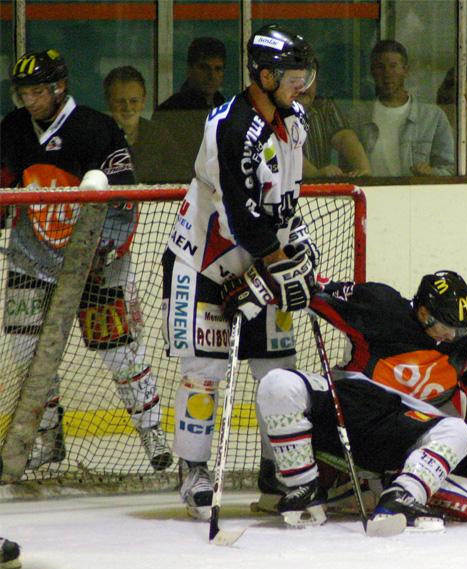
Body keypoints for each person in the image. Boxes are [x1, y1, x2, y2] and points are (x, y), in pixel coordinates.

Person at [244, 270, 467, 532]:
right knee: (275, 384)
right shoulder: (382, 307)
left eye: (462, 327)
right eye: (446, 326)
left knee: (457, 432)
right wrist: (267, 282)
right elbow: (317, 290)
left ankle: (402, 497)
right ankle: (303, 489)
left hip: (401, 426)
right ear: (423, 313)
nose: (453, 335)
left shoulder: (466, 343)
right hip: (351, 404)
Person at [161, 24, 318, 520]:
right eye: (294, 75)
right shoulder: (229, 127)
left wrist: (296, 248)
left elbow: (284, 202)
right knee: (204, 374)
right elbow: (240, 214)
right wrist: (275, 264)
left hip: (259, 260)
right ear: (265, 75)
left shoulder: (295, 123)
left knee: (277, 370)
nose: (303, 84)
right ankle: (194, 472)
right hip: (205, 261)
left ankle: (281, 474)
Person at [0, 50, 172, 474]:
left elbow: (124, 198)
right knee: (27, 353)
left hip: (95, 261)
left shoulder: (96, 128)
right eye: (24, 92)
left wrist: (104, 250)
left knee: (121, 352)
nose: (30, 100)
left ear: (60, 88)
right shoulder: (13, 128)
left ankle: (154, 436)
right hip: (32, 256)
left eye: (38, 91)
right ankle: (46, 438)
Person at [348, 40, 454, 177]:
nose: (387, 73)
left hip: (414, 197)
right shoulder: (357, 116)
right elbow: (346, 169)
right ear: (372, 71)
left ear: (405, 70)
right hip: (369, 196)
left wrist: (431, 173)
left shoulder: (433, 117)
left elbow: (450, 169)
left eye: (393, 66)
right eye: (380, 67)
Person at [152, 37, 227, 183]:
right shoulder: (169, 113)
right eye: (204, 67)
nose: (211, 76)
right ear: (189, 69)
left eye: (217, 69)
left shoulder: (228, 109)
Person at [297, 60, 371, 178]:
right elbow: (288, 151)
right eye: (297, 79)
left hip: (321, 193)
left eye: (309, 79)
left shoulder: (324, 106)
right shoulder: (274, 111)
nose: (303, 86)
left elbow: (344, 138)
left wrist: (363, 170)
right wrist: (315, 175)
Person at [103, 66, 172, 183]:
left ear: (143, 101)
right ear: (108, 101)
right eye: (120, 101)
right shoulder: (98, 136)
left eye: (133, 101)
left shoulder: (159, 136)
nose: (127, 107)